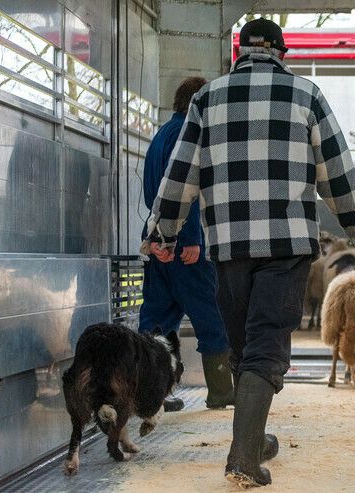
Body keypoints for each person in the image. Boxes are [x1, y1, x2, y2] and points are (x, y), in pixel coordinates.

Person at [142, 18, 355, 487]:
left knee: (245, 345)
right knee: (267, 343)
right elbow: (336, 169)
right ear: (281, 53)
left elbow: (181, 174)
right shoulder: (306, 95)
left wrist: (161, 232)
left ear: (239, 52)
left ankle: (253, 439)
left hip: (229, 247)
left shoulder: (207, 99)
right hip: (288, 245)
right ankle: (243, 458)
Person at [138, 77, 235, 412]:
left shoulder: (161, 134)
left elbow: (155, 193)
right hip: (184, 246)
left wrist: (152, 238)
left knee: (156, 321)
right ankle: (222, 391)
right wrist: (191, 237)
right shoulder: (188, 134)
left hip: (158, 244)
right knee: (212, 317)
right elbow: (185, 191)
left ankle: (151, 393)